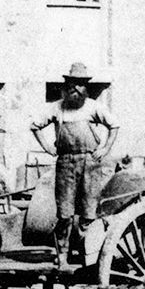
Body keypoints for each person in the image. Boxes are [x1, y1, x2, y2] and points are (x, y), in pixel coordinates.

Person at [30, 62, 116, 268]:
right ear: (66, 85)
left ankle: (85, 253)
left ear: (86, 87)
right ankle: (63, 255)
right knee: (65, 214)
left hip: (90, 164)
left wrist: (105, 149)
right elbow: (35, 126)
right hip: (66, 163)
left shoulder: (94, 107)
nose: (75, 88)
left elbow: (114, 125)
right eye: (72, 84)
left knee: (89, 212)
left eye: (80, 84)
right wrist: (47, 148)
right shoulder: (57, 108)